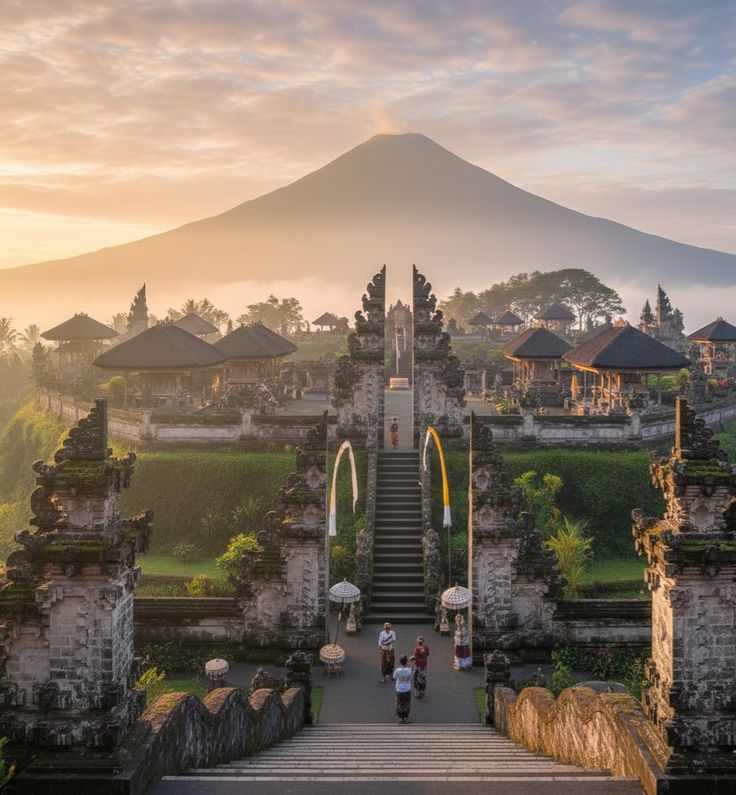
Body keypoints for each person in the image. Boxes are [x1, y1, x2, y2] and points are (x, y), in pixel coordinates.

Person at [392, 654, 413, 723]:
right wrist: (408, 664)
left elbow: (394, 677)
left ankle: (401, 718)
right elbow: (410, 675)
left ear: (400, 662)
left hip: (399, 690)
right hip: (407, 689)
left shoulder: (397, 670)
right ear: (406, 662)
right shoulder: (409, 670)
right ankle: (406, 718)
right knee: (406, 703)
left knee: (400, 704)